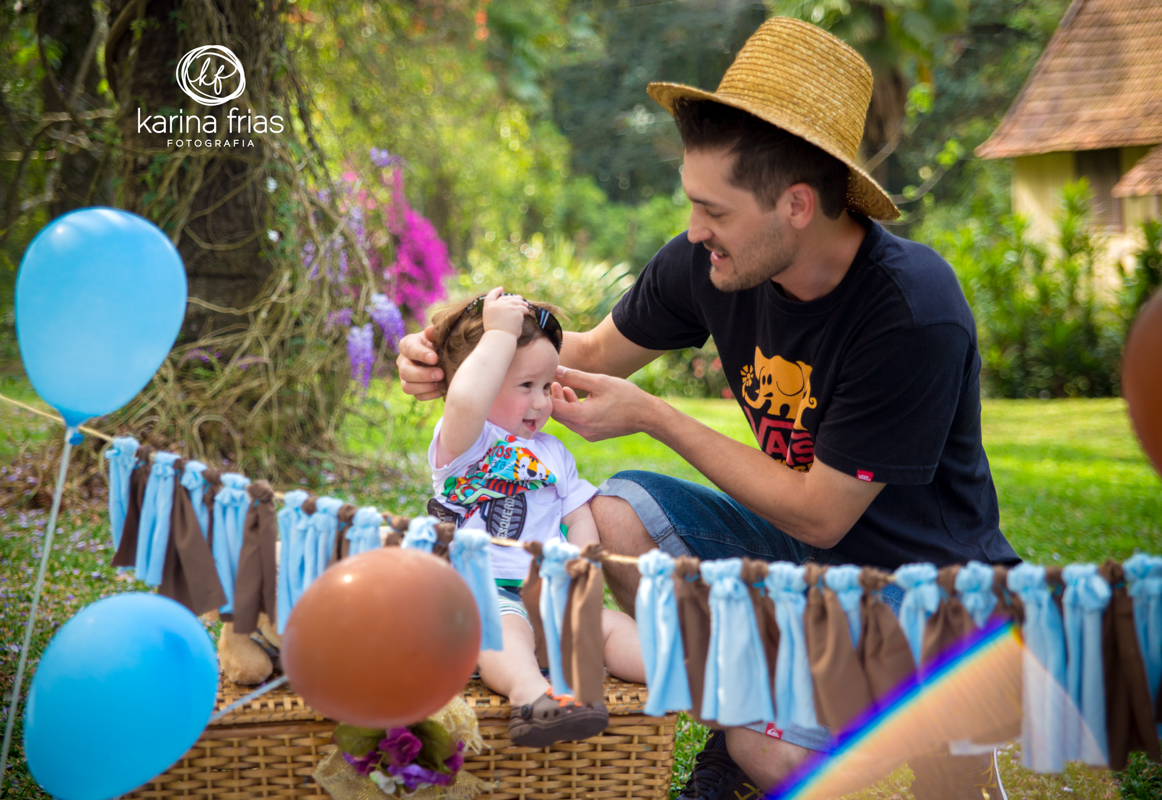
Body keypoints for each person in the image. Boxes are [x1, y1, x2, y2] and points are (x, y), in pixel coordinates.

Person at [402, 17, 1016, 799]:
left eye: (714, 210)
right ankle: (768, 708)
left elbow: (823, 515)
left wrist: (656, 415)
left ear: (797, 204)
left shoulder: (910, 313)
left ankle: (930, 727)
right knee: (621, 511)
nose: (695, 231)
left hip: (927, 595)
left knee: (798, 757)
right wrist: (463, 353)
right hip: (802, 567)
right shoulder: (711, 262)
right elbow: (583, 352)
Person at [427, 286, 645, 748]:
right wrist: (499, 334)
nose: (542, 402)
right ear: (481, 378)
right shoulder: (466, 443)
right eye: (525, 386)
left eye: (545, 387)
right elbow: (465, 399)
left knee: (612, 629)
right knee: (504, 632)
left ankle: (683, 669)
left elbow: (579, 515)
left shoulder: (553, 453)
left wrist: (582, 564)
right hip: (482, 598)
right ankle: (533, 698)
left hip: (550, 598)